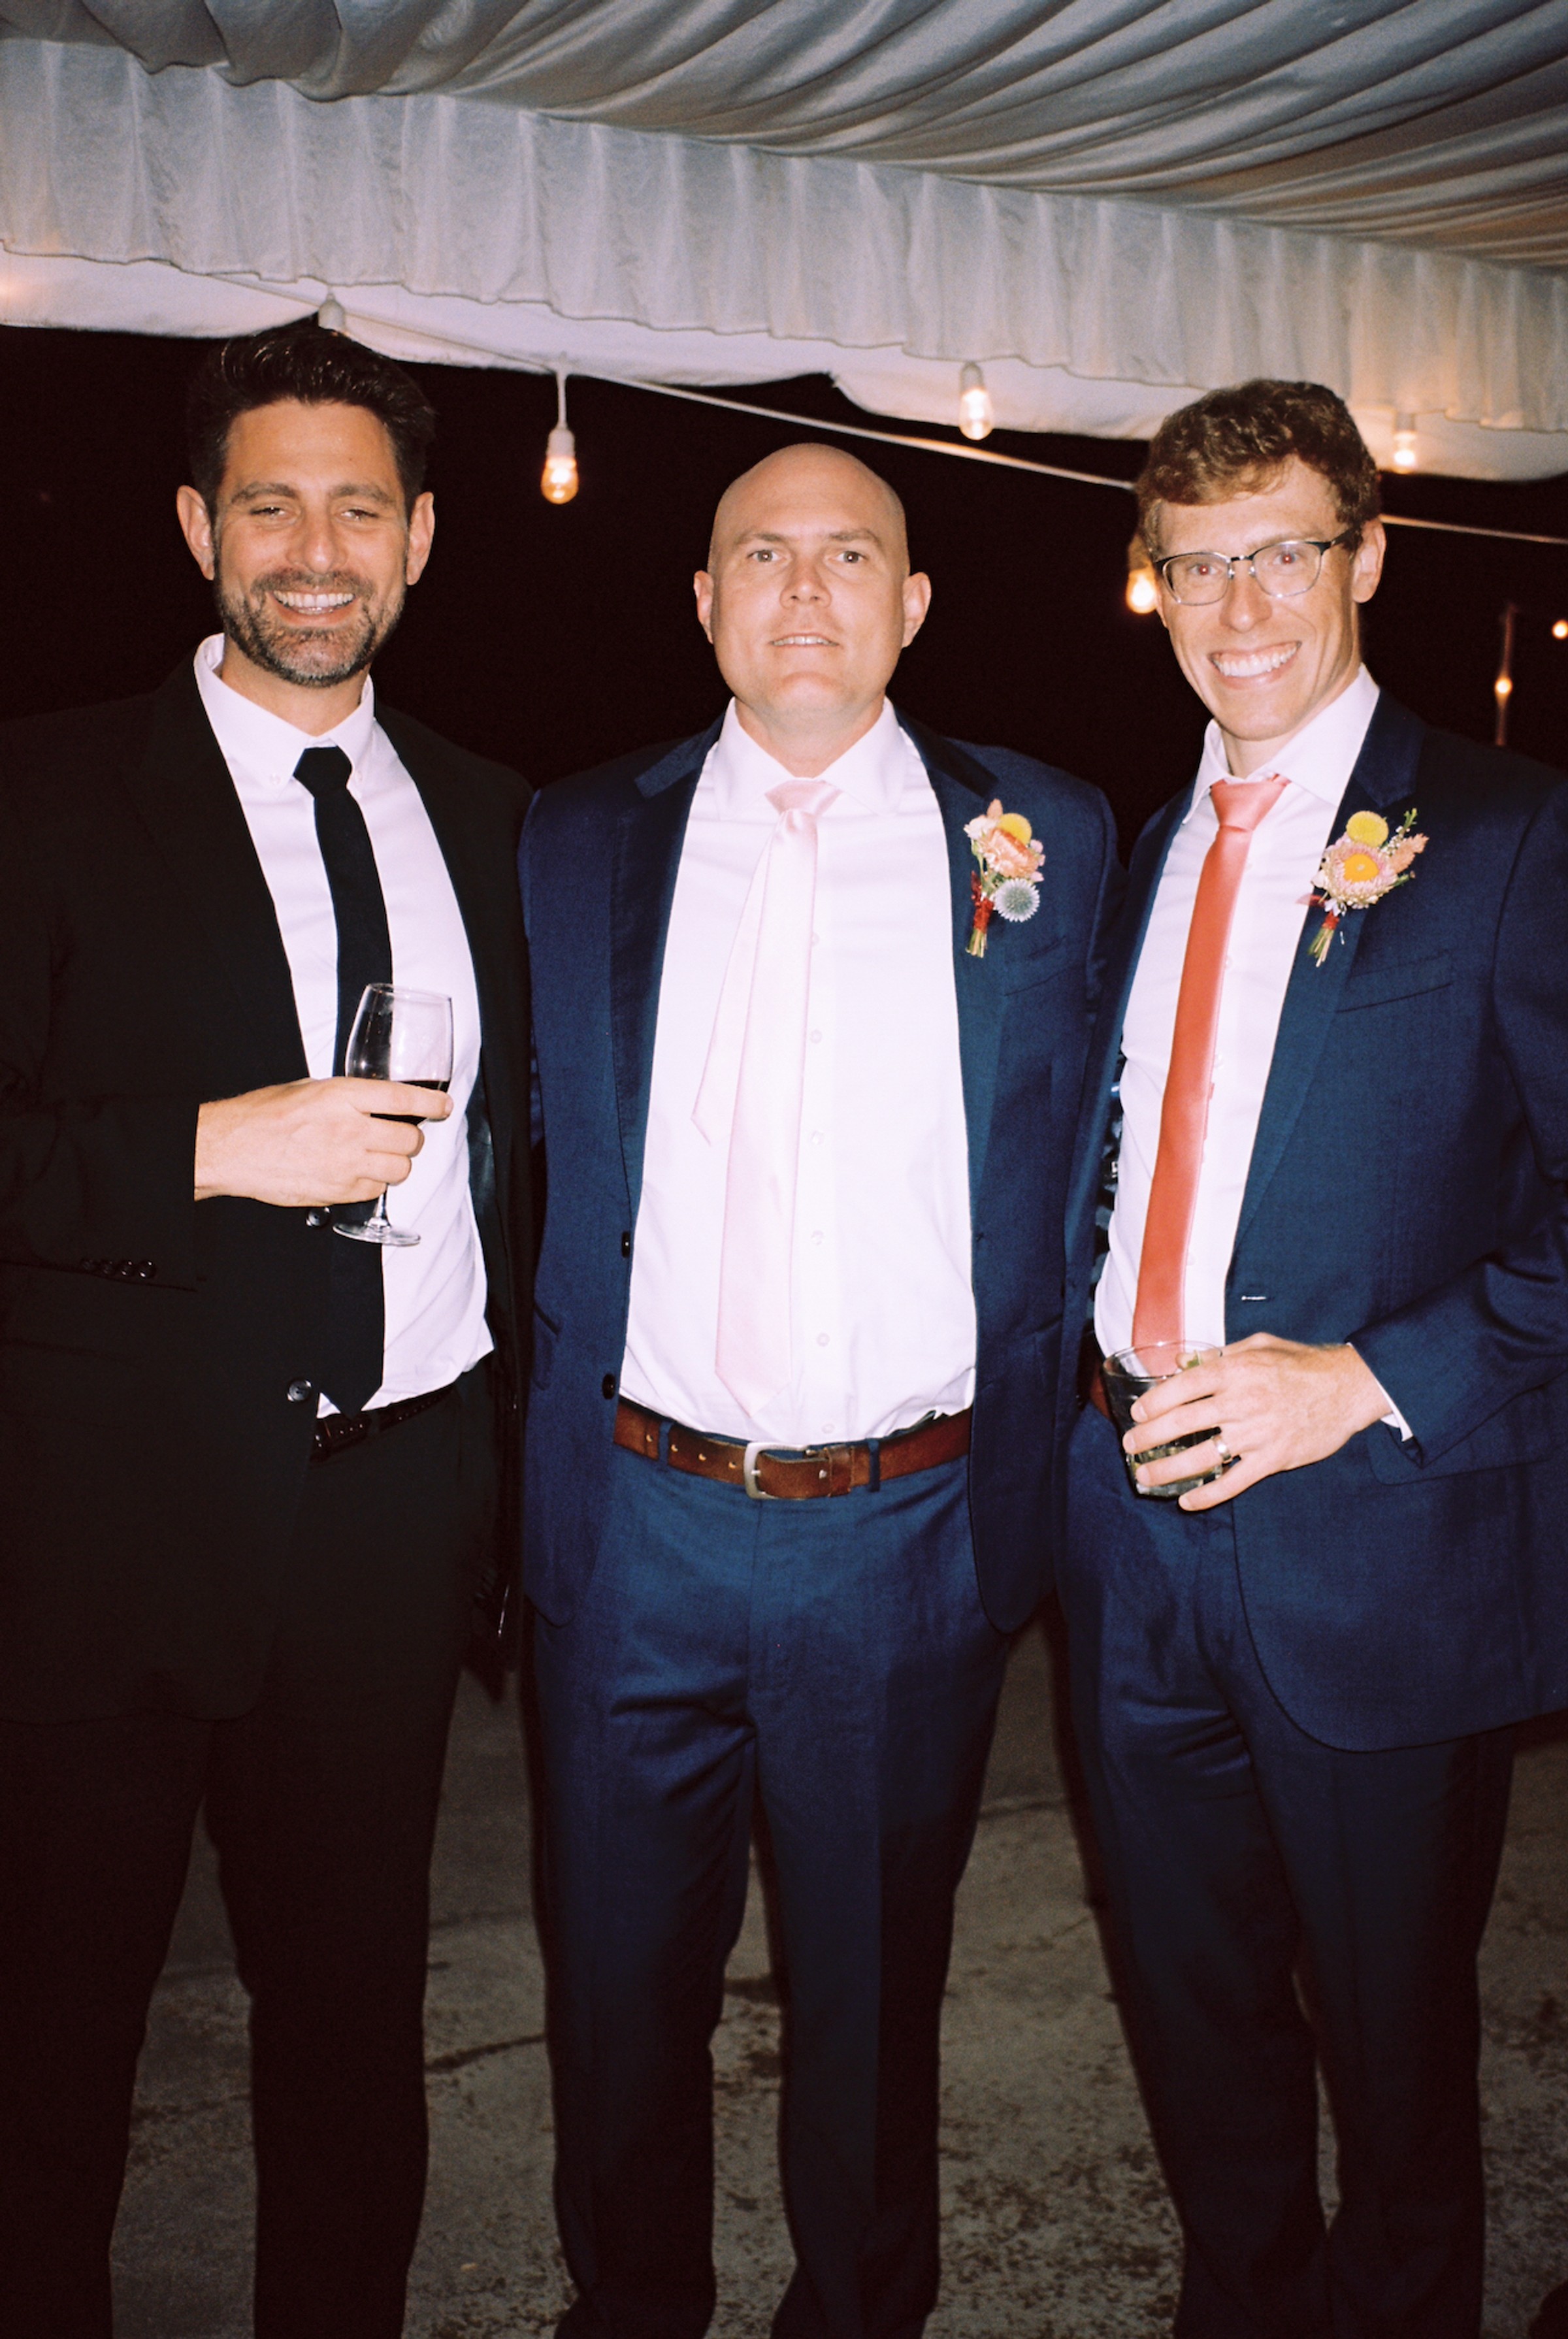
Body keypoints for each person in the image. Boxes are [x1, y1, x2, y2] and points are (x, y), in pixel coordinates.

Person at [521, 441, 1117, 2339]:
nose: (803, 588)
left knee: (869, 2003)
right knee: (615, 1995)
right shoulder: (573, 836)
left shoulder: (1046, 834)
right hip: (635, 1522)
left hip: (903, 1533)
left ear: (912, 604)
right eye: (760, 554)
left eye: (850, 554)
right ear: (703, 602)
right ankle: (633, 2306)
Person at [0, 322, 532, 2339]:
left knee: (354, 2031)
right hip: (106, 1523)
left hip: (389, 1523)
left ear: (422, 539)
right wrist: (211, 1147)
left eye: (359, 510)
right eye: (271, 506)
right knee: (54, 2041)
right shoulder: (43, 790)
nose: (317, 552)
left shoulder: (498, 815)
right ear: (195, 526)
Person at [1057, 378, 1568, 2335]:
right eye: (1197, 566)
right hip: (1131, 1535)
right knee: (1194, 2020)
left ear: (1369, 557)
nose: (1241, 605)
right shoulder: (1137, 844)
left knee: (1395, 2049)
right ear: (1153, 585)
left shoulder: (1509, 833)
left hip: (1377, 1547)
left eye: (1281, 552)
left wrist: (1363, 1376)